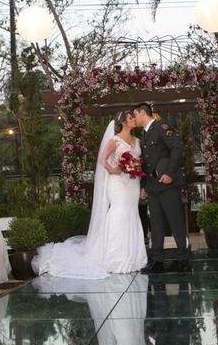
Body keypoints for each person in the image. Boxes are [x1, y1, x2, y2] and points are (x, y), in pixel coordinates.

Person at [33, 111, 148, 278]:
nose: (133, 120)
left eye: (133, 117)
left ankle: (134, 258)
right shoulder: (115, 140)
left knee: (132, 213)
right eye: (130, 118)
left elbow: (139, 161)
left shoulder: (137, 141)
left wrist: (135, 168)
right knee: (119, 213)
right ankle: (115, 257)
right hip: (118, 183)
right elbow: (102, 159)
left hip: (133, 182)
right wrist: (113, 169)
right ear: (123, 122)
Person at [133, 103, 190, 273]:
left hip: (167, 183)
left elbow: (177, 147)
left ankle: (183, 259)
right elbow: (145, 163)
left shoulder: (161, 127)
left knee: (175, 221)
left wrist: (170, 173)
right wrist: (143, 186)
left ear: (142, 113)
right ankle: (157, 261)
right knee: (156, 224)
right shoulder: (143, 136)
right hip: (152, 186)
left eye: (135, 115)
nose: (134, 118)